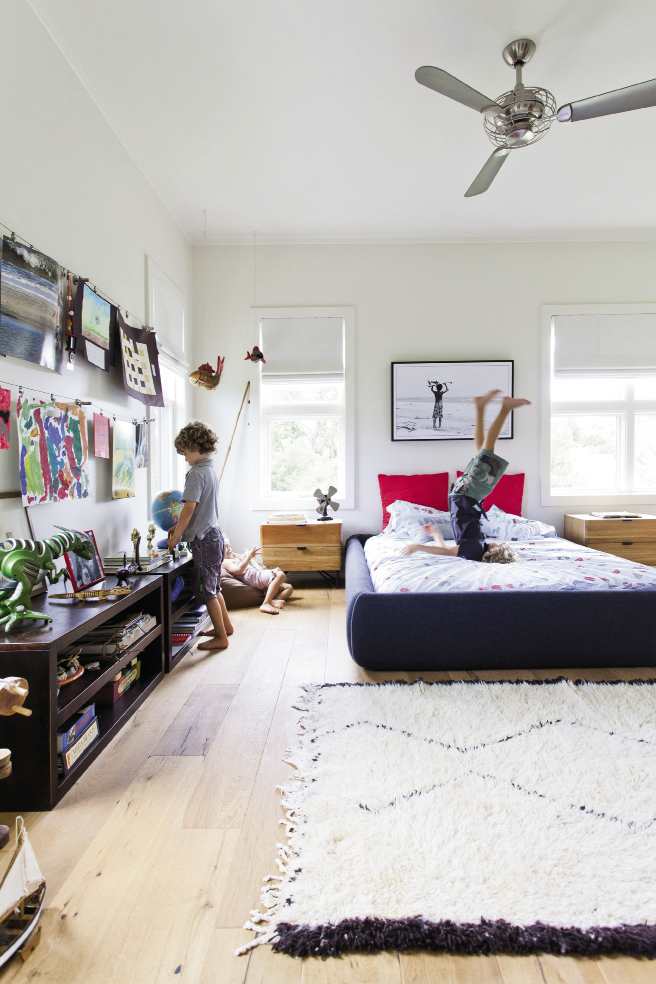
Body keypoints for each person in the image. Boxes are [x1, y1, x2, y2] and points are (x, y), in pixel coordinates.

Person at [402, 390, 531, 563]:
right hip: (462, 497)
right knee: (482, 452)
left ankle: (505, 408)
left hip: (467, 497)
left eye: (500, 545)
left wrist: (418, 547)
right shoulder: (475, 549)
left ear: (494, 552)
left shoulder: (475, 549)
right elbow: (446, 549)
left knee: (488, 453)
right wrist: (436, 534)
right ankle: (480, 407)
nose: (497, 543)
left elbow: (446, 552)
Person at [169, 421, 233, 650]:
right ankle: (226, 627)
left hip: (204, 540)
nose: (185, 458)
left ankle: (221, 638)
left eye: (185, 453)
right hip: (214, 535)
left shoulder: (196, 474)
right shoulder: (210, 470)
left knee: (206, 591)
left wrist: (176, 536)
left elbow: (189, 508)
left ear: (195, 447)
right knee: (214, 587)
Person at [222, 541, 294, 614]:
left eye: (229, 546)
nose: (229, 549)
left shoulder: (235, 558)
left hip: (257, 574)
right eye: (225, 547)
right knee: (280, 575)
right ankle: (266, 603)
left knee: (289, 587)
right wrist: (249, 557)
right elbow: (238, 571)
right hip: (253, 577)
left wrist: (247, 556)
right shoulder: (225, 561)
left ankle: (275, 600)